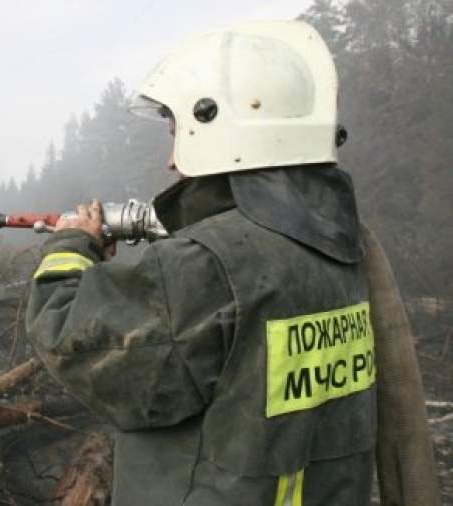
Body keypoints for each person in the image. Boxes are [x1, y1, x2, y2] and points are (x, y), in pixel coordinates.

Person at [26, 20, 376, 505]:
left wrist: (71, 247)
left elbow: (70, 340)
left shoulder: (208, 264)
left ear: (220, 124)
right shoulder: (342, 243)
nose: (172, 160)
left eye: (179, 133)